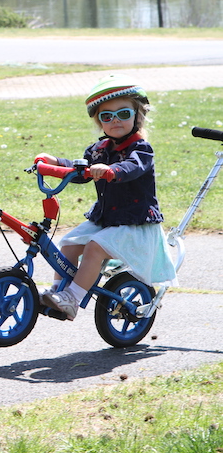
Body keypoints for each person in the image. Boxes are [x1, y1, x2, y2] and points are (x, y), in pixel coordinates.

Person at [36, 75, 177, 320]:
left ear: (137, 116)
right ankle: (59, 292)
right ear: (100, 122)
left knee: (94, 248)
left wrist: (113, 171)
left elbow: (133, 167)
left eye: (123, 114)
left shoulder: (141, 149)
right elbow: (81, 173)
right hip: (107, 219)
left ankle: (73, 299)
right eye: (107, 116)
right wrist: (57, 163)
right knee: (68, 244)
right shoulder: (98, 150)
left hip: (135, 224)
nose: (115, 121)